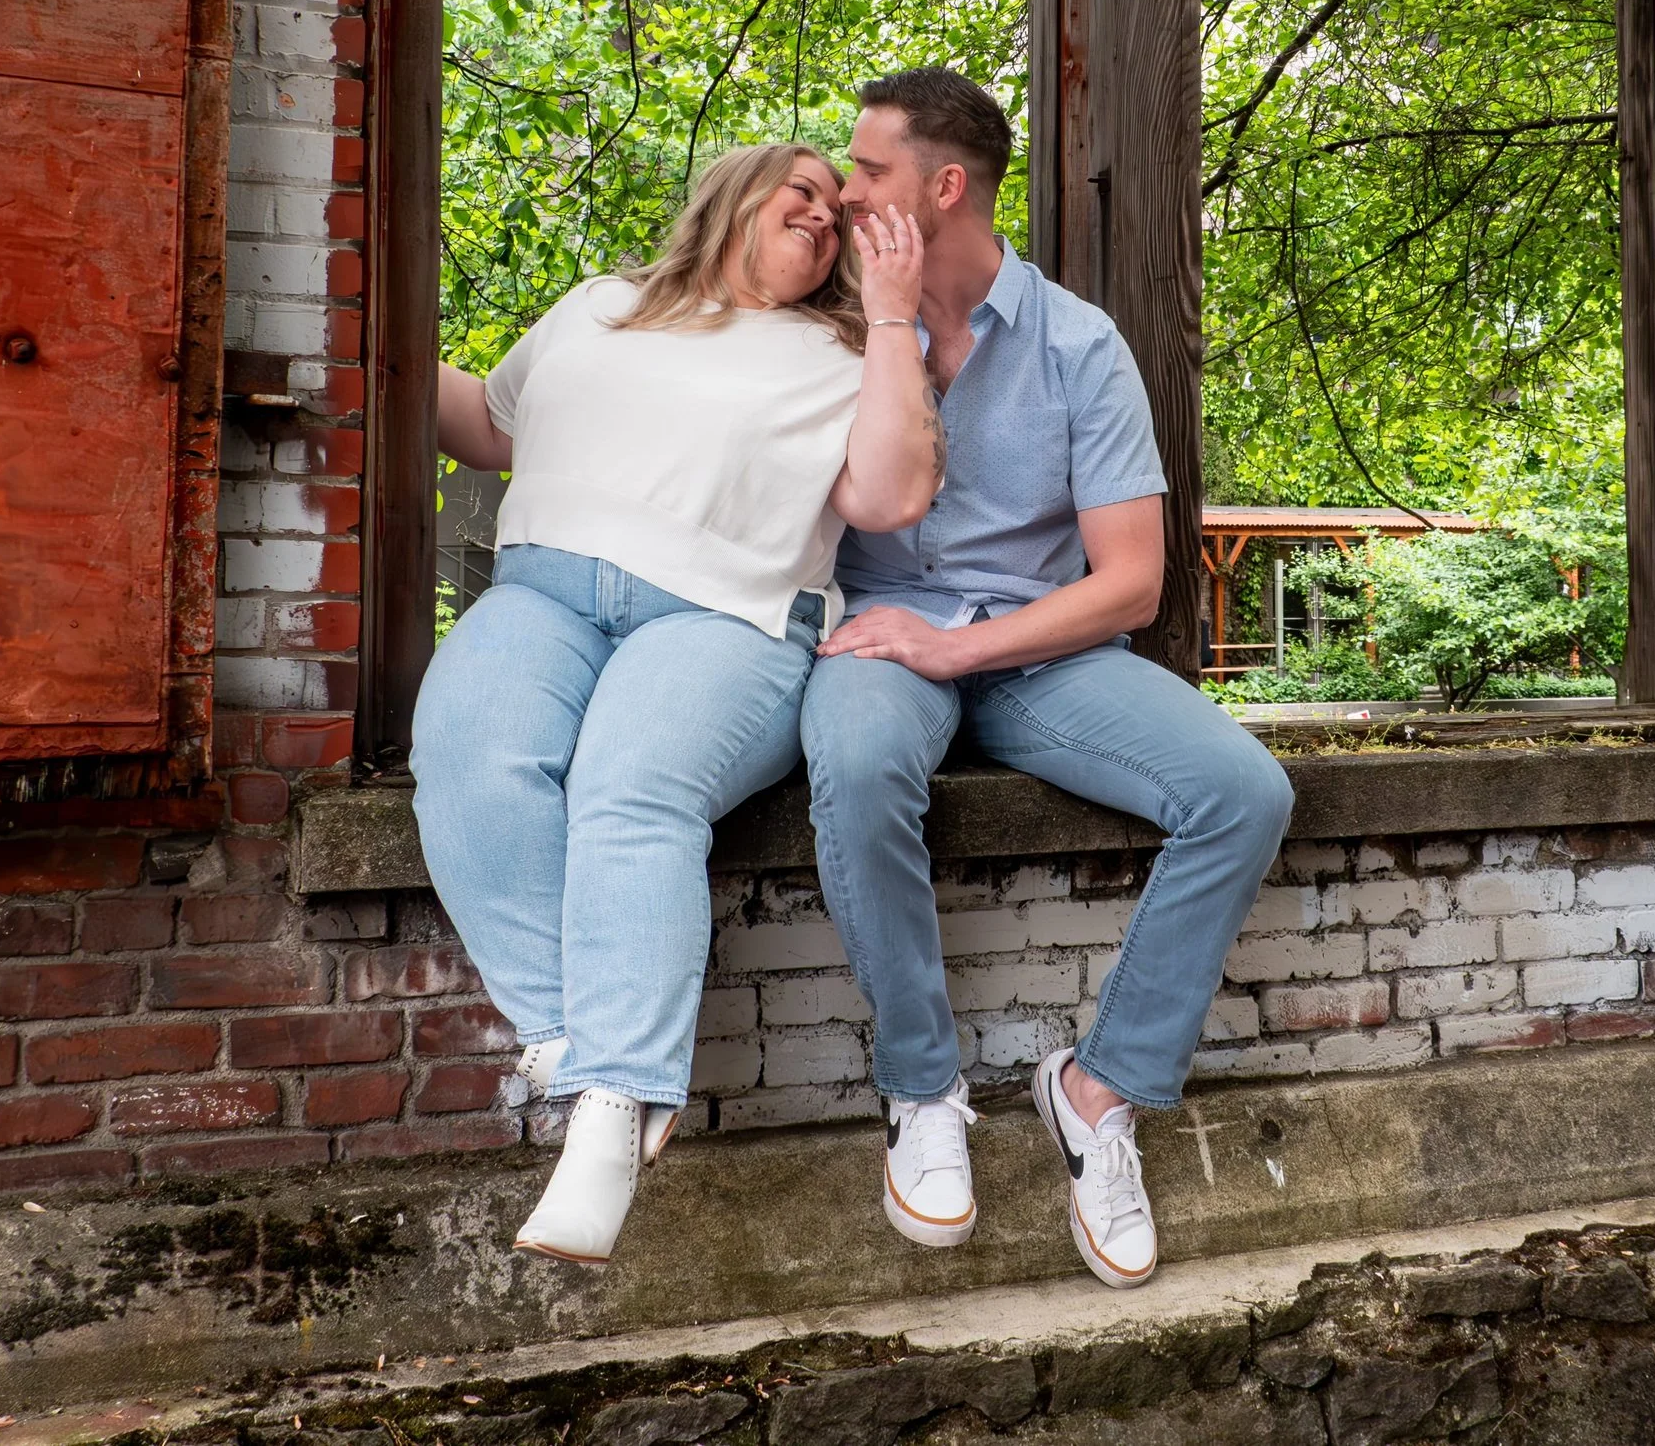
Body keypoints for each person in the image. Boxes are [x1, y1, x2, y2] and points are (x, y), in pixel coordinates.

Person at [802, 69, 1294, 1291]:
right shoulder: (829, 318)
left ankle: (1098, 1091)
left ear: (943, 186)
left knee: (1243, 792)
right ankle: (923, 1094)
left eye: (868, 170)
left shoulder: (1078, 343)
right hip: (875, 640)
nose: (846, 190)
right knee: (857, 765)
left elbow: (1130, 583)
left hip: (1036, 650)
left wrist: (960, 647)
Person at [414, 142, 939, 1265]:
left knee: (630, 784)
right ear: (731, 194)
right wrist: (372, 329)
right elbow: (488, 430)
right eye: (799, 188)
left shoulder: (843, 350)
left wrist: (891, 315)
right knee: (463, 748)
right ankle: (574, 1043)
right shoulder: (601, 308)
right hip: (546, 592)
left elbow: (892, 495)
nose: (822, 214)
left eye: (838, 215)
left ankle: (612, 1108)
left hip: (729, 617)